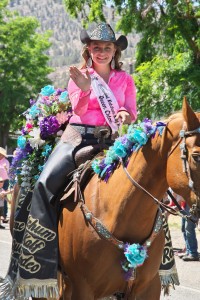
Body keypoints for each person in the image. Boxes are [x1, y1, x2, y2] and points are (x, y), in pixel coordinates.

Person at [10, 22, 137, 298]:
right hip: (77, 138)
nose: (101, 52)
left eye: (107, 47)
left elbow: (130, 109)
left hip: (112, 141)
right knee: (44, 184)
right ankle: (42, 263)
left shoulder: (124, 79)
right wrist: (86, 88)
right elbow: (77, 109)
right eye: (96, 47)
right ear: (88, 49)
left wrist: (126, 114)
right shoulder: (79, 75)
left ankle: (155, 264)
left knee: (145, 183)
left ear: (115, 50)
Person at [0, 147, 10, 223]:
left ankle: (4, 215)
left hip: (5, 181)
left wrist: (5, 168)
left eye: (1, 154)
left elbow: (7, 171)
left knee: (4, 197)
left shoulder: (5, 162)